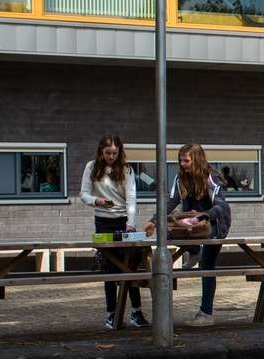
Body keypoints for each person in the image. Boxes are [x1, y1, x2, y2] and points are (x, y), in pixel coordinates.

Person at [145, 143, 231, 327]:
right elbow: (171, 201)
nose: (183, 164)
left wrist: (204, 215)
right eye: (181, 160)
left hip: (214, 222)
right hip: (190, 223)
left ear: (197, 160)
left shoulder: (211, 177)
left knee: (207, 266)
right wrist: (154, 221)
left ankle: (206, 313)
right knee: (169, 231)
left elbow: (222, 205)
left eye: (187, 160)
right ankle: (193, 250)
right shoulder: (180, 178)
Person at [80, 134, 148, 330]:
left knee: (130, 267)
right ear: (101, 151)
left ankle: (136, 311)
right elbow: (83, 194)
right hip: (103, 221)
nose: (111, 156)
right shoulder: (91, 167)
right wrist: (97, 201)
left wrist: (131, 222)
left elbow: (131, 198)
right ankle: (111, 314)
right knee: (109, 269)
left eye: (115, 153)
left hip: (122, 221)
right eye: (108, 153)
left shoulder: (126, 170)